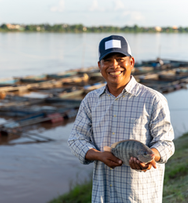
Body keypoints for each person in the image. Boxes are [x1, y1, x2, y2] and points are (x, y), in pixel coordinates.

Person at [68, 35, 175, 203]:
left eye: (120, 59)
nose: (114, 66)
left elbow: (166, 143)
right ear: (99, 66)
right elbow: (76, 138)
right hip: (102, 196)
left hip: (140, 196)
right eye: (107, 60)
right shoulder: (90, 100)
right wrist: (98, 155)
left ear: (131, 62)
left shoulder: (154, 99)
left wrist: (150, 157)